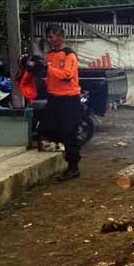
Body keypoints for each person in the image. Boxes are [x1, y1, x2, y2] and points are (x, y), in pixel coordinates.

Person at [37, 25, 84, 181]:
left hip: (70, 99)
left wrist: (48, 69)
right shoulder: (49, 55)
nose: (49, 40)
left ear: (61, 36)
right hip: (54, 98)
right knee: (46, 129)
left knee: (69, 133)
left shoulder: (69, 55)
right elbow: (48, 75)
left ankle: (73, 167)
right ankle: (67, 147)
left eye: (51, 37)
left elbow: (67, 75)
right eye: (48, 38)